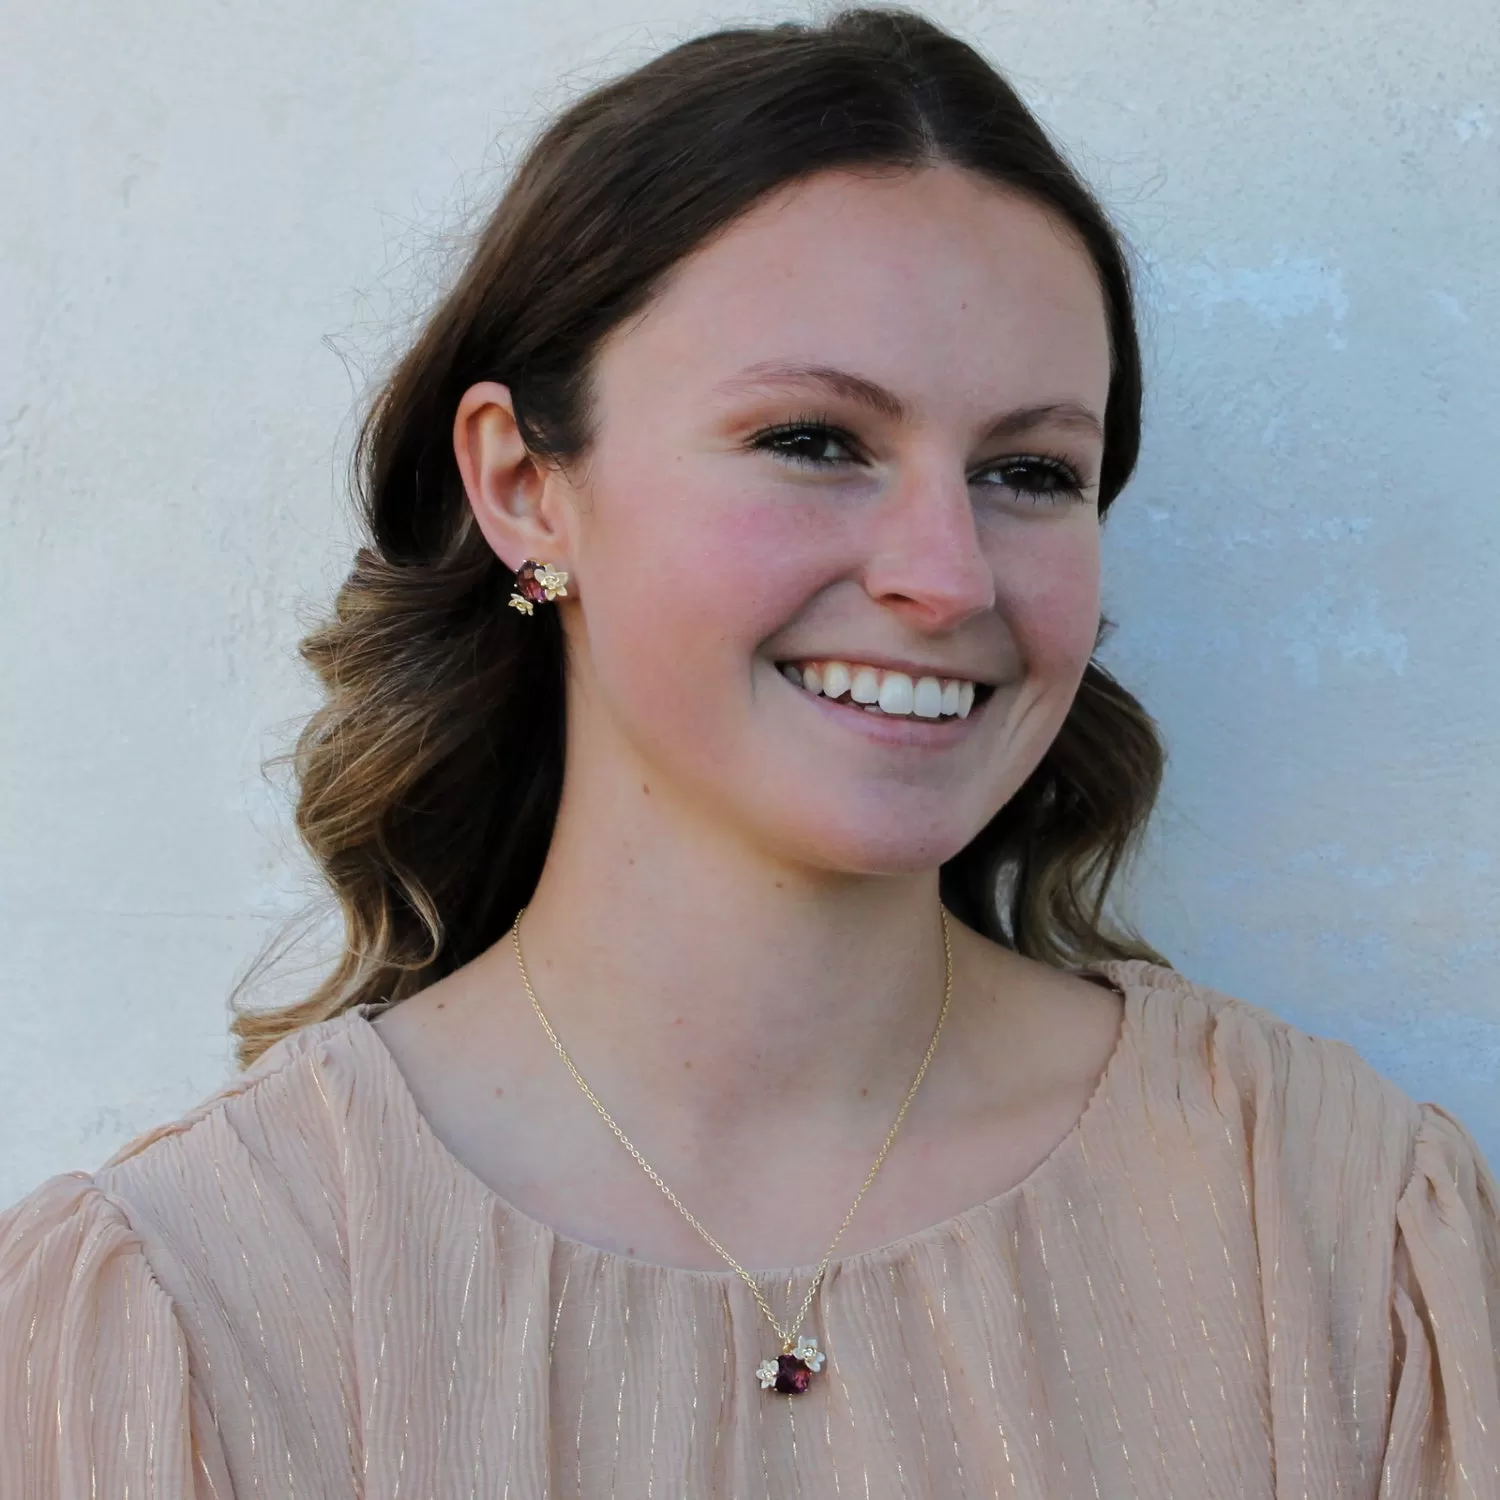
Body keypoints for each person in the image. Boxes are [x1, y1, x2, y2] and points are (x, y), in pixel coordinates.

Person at [3, 8, 1497, 1496]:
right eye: (814, 440)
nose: (950, 574)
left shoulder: (1341, 1236)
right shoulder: (189, 1311)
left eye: (1031, 472)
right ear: (524, 485)